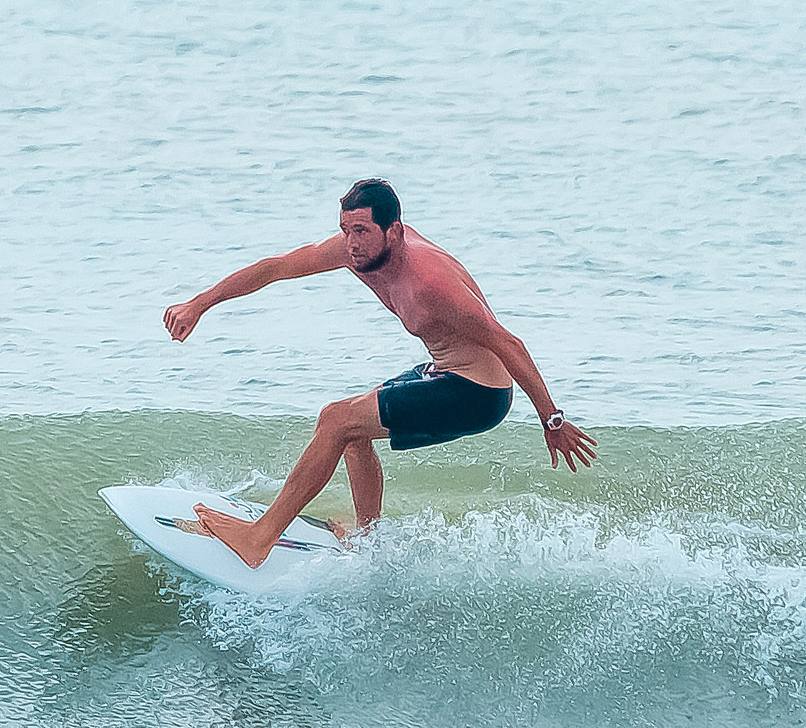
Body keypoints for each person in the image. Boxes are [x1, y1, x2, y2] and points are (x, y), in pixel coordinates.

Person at [163, 179, 597, 568]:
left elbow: (508, 344)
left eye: (362, 231)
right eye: (345, 230)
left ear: (395, 232)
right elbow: (276, 267)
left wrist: (552, 420)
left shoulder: (430, 284)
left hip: (477, 392)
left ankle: (259, 539)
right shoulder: (353, 251)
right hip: (443, 370)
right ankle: (367, 541)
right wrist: (199, 304)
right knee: (350, 431)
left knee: (336, 419)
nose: (351, 244)